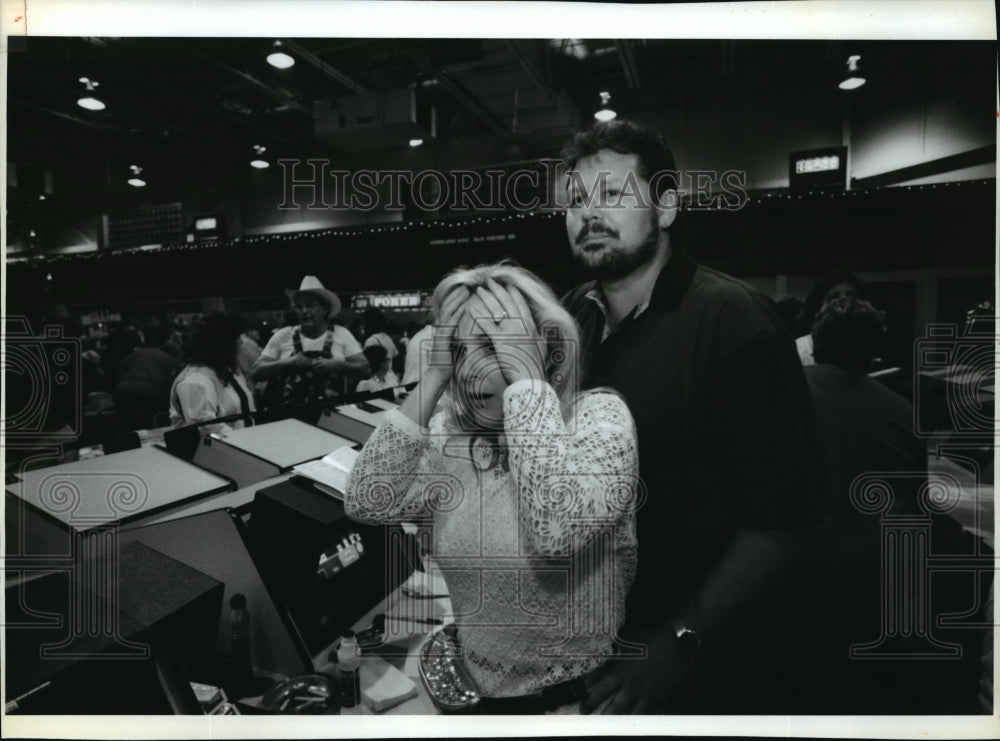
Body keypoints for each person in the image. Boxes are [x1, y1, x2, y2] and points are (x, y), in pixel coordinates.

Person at [559, 119, 825, 713]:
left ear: (668, 207)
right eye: (574, 200)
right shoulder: (572, 316)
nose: (587, 213)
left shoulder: (735, 321)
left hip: (698, 664)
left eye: (612, 194)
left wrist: (680, 639)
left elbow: (785, 521)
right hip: (586, 644)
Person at [345, 263, 639, 711]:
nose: (470, 369)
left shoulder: (599, 421)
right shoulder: (452, 437)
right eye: (460, 349)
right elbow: (366, 499)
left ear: (548, 349)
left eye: (494, 345)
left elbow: (557, 529)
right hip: (474, 696)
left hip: (570, 707)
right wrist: (434, 377)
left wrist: (525, 377)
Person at [786, 296, 991, 713]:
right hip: (872, 577)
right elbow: (915, 505)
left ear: (817, 342)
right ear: (871, 350)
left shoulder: (784, 396)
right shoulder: (898, 409)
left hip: (788, 566)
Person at [252, 276, 369, 407]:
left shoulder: (341, 334)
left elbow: (365, 370)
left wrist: (338, 366)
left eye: (310, 306)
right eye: (299, 307)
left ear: (325, 309)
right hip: (290, 421)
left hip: (333, 420)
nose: (304, 311)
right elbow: (256, 372)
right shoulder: (283, 335)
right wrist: (289, 362)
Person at [169, 312, 256, 437]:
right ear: (221, 343)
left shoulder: (226, 370)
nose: (241, 342)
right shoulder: (195, 380)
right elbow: (207, 429)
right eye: (236, 337)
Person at [113, 323, 179, 429]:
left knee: (127, 424)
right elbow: (173, 382)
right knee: (150, 423)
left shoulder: (138, 353)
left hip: (123, 388)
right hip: (151, 390)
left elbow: (121, 366)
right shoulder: (168, 359)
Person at [795, 271, 865, 366]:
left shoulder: (867, 344)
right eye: (834, 297)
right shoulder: (800, 349)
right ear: (818, 306)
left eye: (851, 296)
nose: (844, 302)